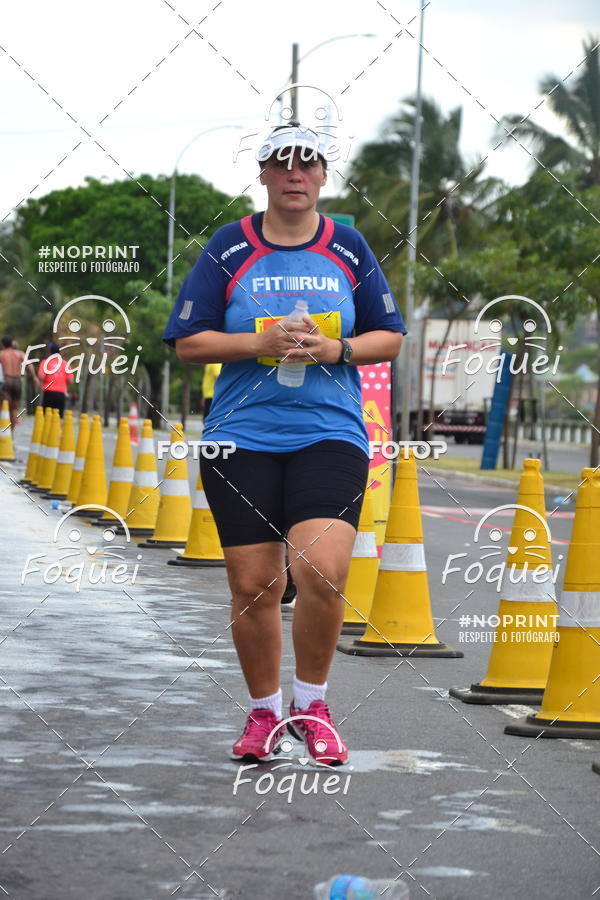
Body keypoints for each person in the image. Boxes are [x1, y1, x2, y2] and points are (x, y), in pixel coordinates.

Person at [163, 123, 406, 766]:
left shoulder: (349, 248)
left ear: (324, 176)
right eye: (282, 164)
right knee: (253, 584)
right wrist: (257, 343)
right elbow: (189, 342)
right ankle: (265, 713)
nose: (295, 174)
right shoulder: (229, 246)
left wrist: (337, 350)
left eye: (308, 164)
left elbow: (389, 336)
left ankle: (313, 704)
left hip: (330, 431)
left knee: (321, 568)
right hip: (240, 436)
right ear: (265, 175)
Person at [0, 335, 40, 429]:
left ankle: (3, 429)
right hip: (17, 381)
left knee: (4, 405)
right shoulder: (20, 353)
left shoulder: (2, 354)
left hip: (7, 380)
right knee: (15, 407)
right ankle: (11, 431)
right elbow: (29, 364)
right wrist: (34, 377)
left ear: (3, 344)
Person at [38, 342, 73, 417]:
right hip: (61, 393)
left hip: (48, 392)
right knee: (58, 417)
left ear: (49, 352)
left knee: (47, 416)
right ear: (60, 352)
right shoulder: (66, 364)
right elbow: (71, 381)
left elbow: (41, 376)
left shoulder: (45, 362)